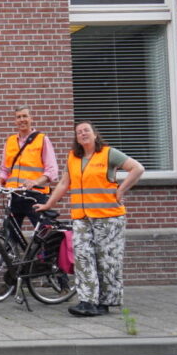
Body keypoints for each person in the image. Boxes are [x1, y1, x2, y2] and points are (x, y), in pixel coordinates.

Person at [35, 121, 144, 317]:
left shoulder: (109, 153)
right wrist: (49, 204)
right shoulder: (73, 157)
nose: (82, 134)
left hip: (109, 217)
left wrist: (120, 191)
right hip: (82, 217)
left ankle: (106, 302)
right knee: (83, 258)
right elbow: (63, 184)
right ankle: (87, 301)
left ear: (95, 134)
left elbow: (137, 168)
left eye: (86, 130)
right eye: (79, 132)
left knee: (107, 260)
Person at [0, 107, 58, 229]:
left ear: (31, 119)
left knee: (44, 234)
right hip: (14, 195)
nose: (22, 120)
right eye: (18, 117)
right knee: (10, 236)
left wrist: (35, 182)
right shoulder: (10, 141)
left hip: (35, 195)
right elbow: (5, 169)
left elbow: (52, 170)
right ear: (15, 121)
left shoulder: (42, 139)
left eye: (25, 116)